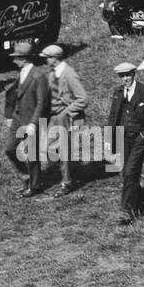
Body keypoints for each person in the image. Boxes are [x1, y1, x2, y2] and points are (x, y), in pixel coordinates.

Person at [107, 63, 144, 225]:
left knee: (130, 172)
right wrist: (108, 142)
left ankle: (127, 211)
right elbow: (113, 118)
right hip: (122, 137)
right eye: (122, 76)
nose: (125, 79)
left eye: (128, 75)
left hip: (139, 138)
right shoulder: (118, 93)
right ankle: (140, 200)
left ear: (134, 74)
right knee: (125, 171)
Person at [3, 42, 51, 197]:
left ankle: (35, 186)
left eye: (16, 57)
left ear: (24, 59)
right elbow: (13, 93)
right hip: (18, 119)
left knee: (32, 154)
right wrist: (9, 115)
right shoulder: (21, 72)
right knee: (10, 149)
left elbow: (42, 102)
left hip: (31, 121)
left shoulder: (39, 76)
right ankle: (27, 177)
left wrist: (33, 123)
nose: (13, 60)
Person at [41, 44, 87, 195]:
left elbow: (83, 99)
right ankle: (70, 170)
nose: (45, 61)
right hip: (53, 117)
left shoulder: (69, 74)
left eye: (46, 58)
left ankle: (67, 182)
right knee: (47, 148)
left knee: (63, 149)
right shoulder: (52, 74)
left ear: (54, 59)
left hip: (65, 117)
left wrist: (67, 112)